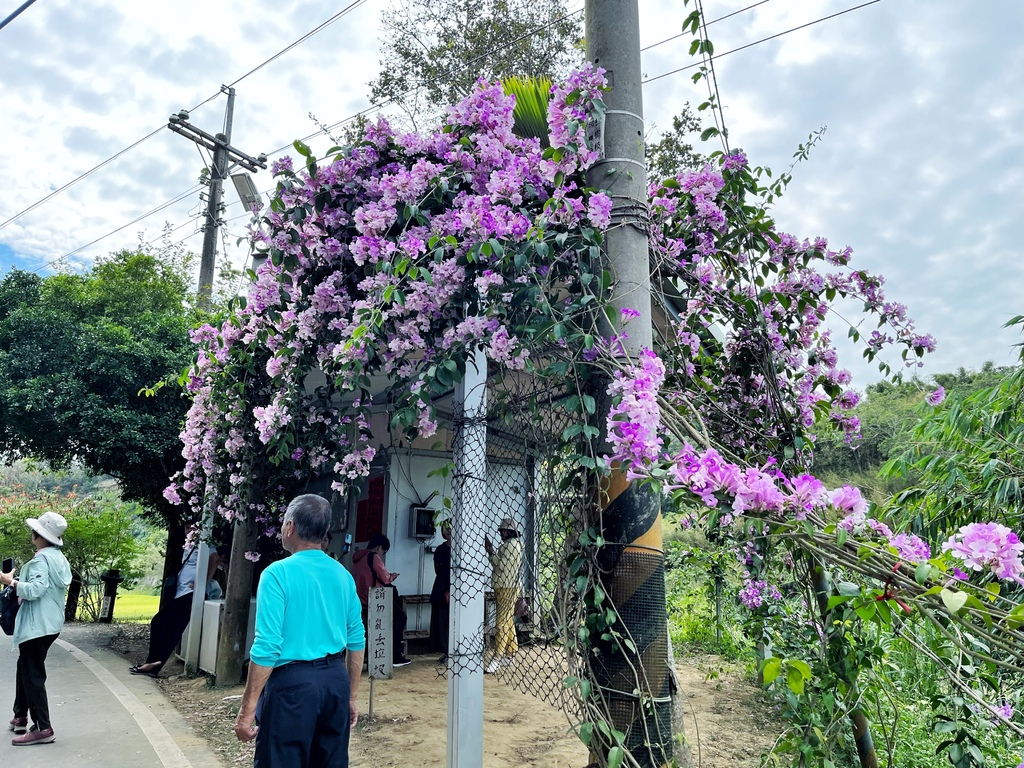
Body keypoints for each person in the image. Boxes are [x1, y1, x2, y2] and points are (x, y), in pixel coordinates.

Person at [233, 495, 365, 768]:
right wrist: (351, 696)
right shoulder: (343, 575)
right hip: (335, 682)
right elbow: (356, 641)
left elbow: (267, 646)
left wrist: (247, 712)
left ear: (290, 527)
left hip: (292, 686)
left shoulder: (277, 574)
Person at [0, 511, 72, 746]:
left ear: (40, 535)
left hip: (36, 624)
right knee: (26, 665)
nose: (32, 533)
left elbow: (35, 589)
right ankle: (21, 714)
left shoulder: (41, 559)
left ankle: (43, 727)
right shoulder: (57, 557)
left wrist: (9, 582)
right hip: (50, 623)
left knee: (33, 673)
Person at [129, 545, 226, 677]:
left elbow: (214, 559)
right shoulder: (190, 544)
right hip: (181, 593)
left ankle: (154, 665)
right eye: (186, 527)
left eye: (192, 526)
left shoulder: (205, 543)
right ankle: (153, 663)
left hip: (192, 593)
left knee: (167, 626)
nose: (189, 529)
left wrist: (203, 582)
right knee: (163, 624)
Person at [350, 534, 411, 667]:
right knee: (399, 618)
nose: (383, 554)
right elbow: (384, 578)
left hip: (360, 599)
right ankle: (394, 655)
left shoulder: (357, 558)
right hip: (375, 598)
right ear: (379, 547)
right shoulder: (373, 557)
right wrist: (392, 576)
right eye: (384, 551)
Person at [484, 517, 523, 674]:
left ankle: (497, 657)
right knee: (507, 620)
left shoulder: (509, 546)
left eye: (502, 531)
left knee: (500, 622)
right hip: (508, 586)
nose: (501, 534)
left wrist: (491, 552)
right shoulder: (515, 544)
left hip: (506, 587)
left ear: (507, 531)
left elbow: (500, 565)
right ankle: (510, 653)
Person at [428, 523, 451, 663]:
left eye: (451, 529)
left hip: (457, 590)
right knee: (441, 622)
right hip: (441, 588)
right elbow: (437, 570)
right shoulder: (440, 550)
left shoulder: (461, 549)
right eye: (446, 530)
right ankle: (445, 651)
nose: (449, 532)